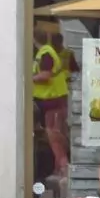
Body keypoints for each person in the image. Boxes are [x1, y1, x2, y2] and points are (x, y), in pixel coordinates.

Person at [32, 30, 77, 182]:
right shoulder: (47, 52)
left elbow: (45, 75)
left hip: (54, 99)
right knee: (55, 135)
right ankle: (59, 170)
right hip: (53, 99)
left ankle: (64, 170)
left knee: (55, 135)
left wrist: (27, 78)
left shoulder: (45, 53)